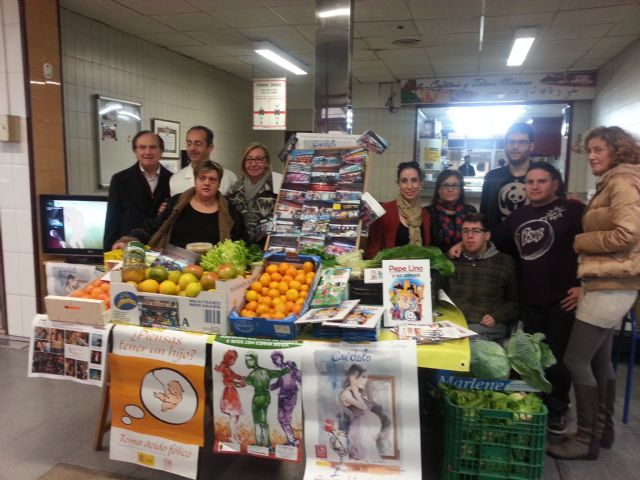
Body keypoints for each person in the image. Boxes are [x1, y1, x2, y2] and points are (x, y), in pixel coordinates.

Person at [549, 126, 640, 460]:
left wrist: (580, 241)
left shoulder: (623, 181)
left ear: (617, 150)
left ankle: (586, 439)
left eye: (599, 149)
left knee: (576, 359)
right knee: (601, 361)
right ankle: (603, 432)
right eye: (589, 150)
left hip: (611, 284)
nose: (592, 156)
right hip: (606, 282)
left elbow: (627, 234)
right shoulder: (618, 180)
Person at [492, 162, 585, 435]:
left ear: (555, 184)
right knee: (531, 359)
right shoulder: (517, 217)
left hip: (563, 300)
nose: (534, 186)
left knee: (557, 359)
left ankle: (557, 410)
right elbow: (494, 239)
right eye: (530, 182)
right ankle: (534, 404)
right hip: (531, 298)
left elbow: (594, 247)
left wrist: (584, 286)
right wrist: (464, 242)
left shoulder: (575, 211)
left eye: (541, 181)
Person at [113, 160, 246, 250]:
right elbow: (152, 227)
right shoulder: (176, 203)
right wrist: (127, 240)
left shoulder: (230, 211)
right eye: (202, 178)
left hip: (214, 274)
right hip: (173, 273)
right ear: (195, 181)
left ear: (219, 183)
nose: (207, 183)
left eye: (212, 179)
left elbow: (241, 243)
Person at [446, 213, 519, 342]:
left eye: (476, 231)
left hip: (487, 330)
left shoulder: (505, 262)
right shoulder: (452, 261)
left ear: (487, 236)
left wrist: (497, 316)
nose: (470, 236)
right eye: (466, 231)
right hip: (454, 327)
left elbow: (516, 301)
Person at [103, 130, 172, 251]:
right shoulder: (120, 179)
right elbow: (112, 219)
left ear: (161, 151)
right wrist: (108, 251)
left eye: (153, 147)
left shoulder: (172, 179)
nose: (147, 152)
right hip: (127, 246)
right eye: (142, 147)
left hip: (159, 247)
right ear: (135, 151)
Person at [365, 161, 431, 259]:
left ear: (420, 184)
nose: (409, 186)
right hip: (389, 272)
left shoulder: (426, 215)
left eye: (414, 180)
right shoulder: (384, 212)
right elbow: (372, 252)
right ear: (398, 184)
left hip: (418, 272)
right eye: (404, 181)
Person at [480, 122, 535, 231]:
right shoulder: (492, 177)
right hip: (497, 244)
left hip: (533, 242)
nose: (515, 147)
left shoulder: (545, 176)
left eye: (522, 142)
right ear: (505, 145)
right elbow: (484, 215)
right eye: (511, 142)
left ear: (531, 146)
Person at [226, 143, 279, 246]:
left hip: (269, 247)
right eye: (249, 159)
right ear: (244, 163)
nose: (253, 164)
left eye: (259, 159)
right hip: (240, 248)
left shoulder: (277, 186)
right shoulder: (235, 190)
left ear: (267, 162)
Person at [339, 364, 390, 461]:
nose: (366, 380)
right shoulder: (346, 394)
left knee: (370, 462)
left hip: (368, 431)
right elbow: (364, 407)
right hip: (360, 431)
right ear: (353, 377)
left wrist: (378, 431)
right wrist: (355, 390)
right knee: (363, 461)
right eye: (363, 377)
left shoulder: (358, 393)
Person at [170, 125, 237, 196]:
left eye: (198, 144)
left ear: (210, 148)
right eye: (189, 143)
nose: (192, 148)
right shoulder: (176, 179)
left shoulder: (228, 177)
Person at [244, 352, 289, 449]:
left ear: (254, 360)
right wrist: (288, 368)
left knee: (258, 421)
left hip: (258, 398)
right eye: (246, 360)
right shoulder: (266, 371)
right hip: (266, 397)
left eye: (249, 360)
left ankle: (261, 444)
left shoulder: (251, 375)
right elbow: (281, 373)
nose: (246, 362)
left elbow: (243, 382)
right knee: (263, 421)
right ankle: (266, 444)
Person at [427, 170, 477, 253]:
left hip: (467, 261)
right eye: (445, 185)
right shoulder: (428, 213)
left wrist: (460, 245)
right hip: (438, 263)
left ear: (460, 190)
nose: (450, 189)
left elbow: (476, 238)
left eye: (455, 185)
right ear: (438, 190)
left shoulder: (470, 211)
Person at [269, 351, 302, 447]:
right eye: (273, 359)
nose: (275, 360)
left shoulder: (290, 368)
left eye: (276, 358)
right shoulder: (281, 372)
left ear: (281, 358)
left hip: (290, 397)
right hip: (282, 398)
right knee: (280, 419)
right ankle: (291, 440)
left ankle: (292, 441)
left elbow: (300, 377)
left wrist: (294, 368)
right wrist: (268, 387)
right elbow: (278, 384)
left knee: (285, 420)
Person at [214, 349, 245, 444]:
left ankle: (234, 436)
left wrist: (241, 379)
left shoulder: (226, 367)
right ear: (228, 358)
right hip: (229, 394)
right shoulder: (225, 368)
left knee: (236, 416)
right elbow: (226, 381)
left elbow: (234, 375)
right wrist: (238, 383)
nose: (234, 361)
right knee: (234, 416)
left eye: (235, 359)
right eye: (233, 359)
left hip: (232, 393)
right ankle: (233, 437)